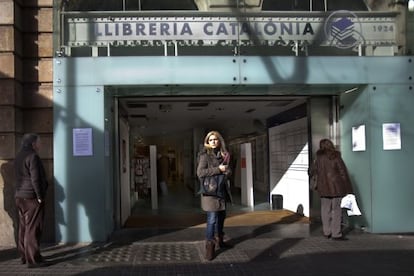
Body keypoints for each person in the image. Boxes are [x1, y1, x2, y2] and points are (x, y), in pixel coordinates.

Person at [14, 133, 49, 268]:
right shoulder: (33, 156)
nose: (41, 144)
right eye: (39, 142)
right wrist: (40, 196)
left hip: (19, 197)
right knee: (33, 229)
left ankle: (24, 256)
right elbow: (35, 178)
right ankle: (33, 260)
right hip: (31, 197)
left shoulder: (18, 156)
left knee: (23, 227)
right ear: (33, 144)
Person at [197, 130, 232, 261]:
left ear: (219, 140)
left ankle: (220, 241)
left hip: (222, 191)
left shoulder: (224, 154)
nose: (213, 142)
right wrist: (219, 170)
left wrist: (227, 171)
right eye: (210, 140)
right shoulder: (204, 156)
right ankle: (209, 247)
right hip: (210, 192)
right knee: (211, 219)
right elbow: (200, 173)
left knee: (222, 217)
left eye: (215, 139)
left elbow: (229, 171)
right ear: (207, 142)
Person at [310, 138, 354, 241]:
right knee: (337, 210)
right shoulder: (336, 156)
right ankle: (336, 233)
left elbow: (311, 171)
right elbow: (343, 172)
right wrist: (348, 188)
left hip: (323, 188)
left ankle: (327, 232)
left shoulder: (318, 158)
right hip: (336, 187)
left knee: (325, 210)